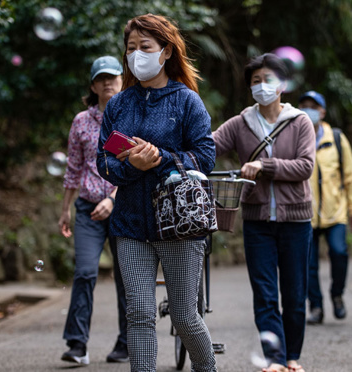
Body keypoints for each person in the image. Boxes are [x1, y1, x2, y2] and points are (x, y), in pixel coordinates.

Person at [96, 14, 217, 372]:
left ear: (165, 52)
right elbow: (104, 164)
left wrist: (160, 158)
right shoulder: (119, 104)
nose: (136, 55)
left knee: (184, 315)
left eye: (145, 47)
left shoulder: (187, 102)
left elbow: (205, 157)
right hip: (129, 225)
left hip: (179, 225)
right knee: (139, 314)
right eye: (131, 48)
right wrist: (135, 165)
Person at [213, 53, 315, 372]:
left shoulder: (300, 122)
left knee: (295, 295)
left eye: (267, 80)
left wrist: (264, 165)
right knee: (265, 294)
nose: (261, 86)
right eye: (255, 81)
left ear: (282, 84)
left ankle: (293, 358)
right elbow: (207, 146)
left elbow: (305, 166)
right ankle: (275, 360)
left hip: (296, 221)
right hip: (257, 221)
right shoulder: (240, 123)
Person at [58, 55, 128, 366]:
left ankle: (127, 342)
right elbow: (73, 168)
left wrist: (113, 198)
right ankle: (77, 344)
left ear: (122, 80)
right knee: (85, 272)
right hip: (87, 209)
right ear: (93, 85)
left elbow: (135, 168)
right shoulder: (81, 122)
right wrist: (66, 209)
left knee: (128, 276)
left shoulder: (130, 117)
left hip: (125, 207)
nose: (108, 82)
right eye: (102, 78)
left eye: (113, 76)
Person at [297, 91, 352, 324]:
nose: (309, 110)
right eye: (304, 105)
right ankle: (315, 306)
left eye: (313, 106)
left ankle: (337, 295)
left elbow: (351, 175)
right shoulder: (296, 136)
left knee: (339, 252)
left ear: (323, 111)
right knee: (308, 263)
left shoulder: (336, 138)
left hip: (335, 212)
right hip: (304, 212)